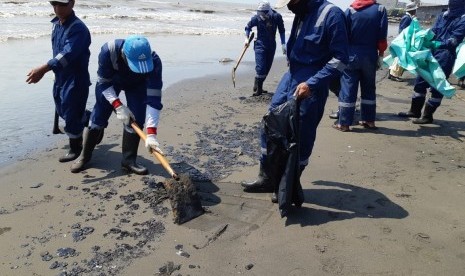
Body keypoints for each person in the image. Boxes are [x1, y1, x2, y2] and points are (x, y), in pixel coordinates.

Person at [241, 0, 349, 203]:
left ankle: (289, 185)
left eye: (291, 1)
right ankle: (268, 178)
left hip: (312, 83)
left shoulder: (332, 15)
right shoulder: (301, 12)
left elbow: (341, 59)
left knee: (301, 133)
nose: (289, 6)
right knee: (270, 122)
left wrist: (313, 83)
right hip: (291, 75)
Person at [71, 35, 164, 174]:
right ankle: (85, 156)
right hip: (110, 82)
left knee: (136, 119)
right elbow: (103, 83)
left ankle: (128, 161)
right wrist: (118, 106)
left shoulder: (154, 62)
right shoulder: (109, 51)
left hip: (137, 86)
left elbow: (154, 101)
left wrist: (151, 135)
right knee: (99, 114)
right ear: (124, 55)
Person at [26, 0, 91, 163]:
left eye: (62, 5)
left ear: (72, 3)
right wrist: (53, 69)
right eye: (54, 4)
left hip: (76, 77)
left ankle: (76, 147)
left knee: (70, 111)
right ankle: (89, 119)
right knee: (62, 107)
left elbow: (67, 54)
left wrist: (44, 68)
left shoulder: (78, 29)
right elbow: (57, 51)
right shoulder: (56, 24)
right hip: (60, 74)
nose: (57, 9)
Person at [398, 0, 465, 124]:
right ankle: (415, 111)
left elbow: (455, 40)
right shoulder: (443, 15)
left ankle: (428, 116)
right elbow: (433, 31)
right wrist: (423, 37)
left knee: (437, 85)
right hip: (430, 52)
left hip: (446, 55)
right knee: (420, 81)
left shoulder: (463, 19)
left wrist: (437, 44)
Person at [333, 0, 388, 131]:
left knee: (348, 87)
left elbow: (342, 34)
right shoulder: (380, 9)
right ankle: (369, 120)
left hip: (351, 54)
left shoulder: (351, 10)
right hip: (370, 54)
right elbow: (382, 35)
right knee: (369, 87)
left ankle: (344, 123)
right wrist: (381, 54)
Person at [245, 1, 286, 96]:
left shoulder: (276, 17)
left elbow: (282, 30)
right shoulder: (257, 18)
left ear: (268, 11)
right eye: (259, 13)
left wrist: (283, 44)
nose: (260, 15)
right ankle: (258, 90)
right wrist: (246, 39)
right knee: (261, 67)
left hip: (271, 45)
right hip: (260, 45)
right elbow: (248, 27)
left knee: (267, 68)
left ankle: (259, 83)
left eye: (262, 13)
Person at [388, 2, 417, 82]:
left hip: (403, 40)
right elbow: (403, 30)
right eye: (415, 10)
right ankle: (394, 75)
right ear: (413, 10)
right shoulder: (407, 18)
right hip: (403, 41)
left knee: (399, 57)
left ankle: (392, 73)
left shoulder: (408, 17)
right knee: (401, 58)